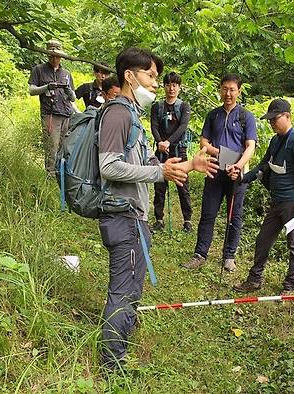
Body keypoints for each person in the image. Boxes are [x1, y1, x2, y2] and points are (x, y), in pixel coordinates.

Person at [97, 47, 218, 370]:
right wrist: (158, 172)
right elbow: (109, 166)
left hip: (134, 217)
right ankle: (113, 365)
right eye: (150, 75)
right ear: (129, 75)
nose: (156, 83)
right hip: (122, 217)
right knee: (123, 291)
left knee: (131, 286)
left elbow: (143, 161)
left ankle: (120, 344)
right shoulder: (118, 113)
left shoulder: (131, 115)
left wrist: (184, 165)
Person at [232, 99, 294, 295]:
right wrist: (242, 177)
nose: (272, 123)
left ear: (287, 117)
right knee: (263, 240)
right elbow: (263, 165)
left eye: (275, 119)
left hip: (292, 203)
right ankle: (255, 278)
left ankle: (292, 284)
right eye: (270, 120)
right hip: (276, 201)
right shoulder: (275, 140)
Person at [183, 74, 257, 272]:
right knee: (208, 213)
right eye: (224, 89)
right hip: (214, 169)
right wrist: (220, 153)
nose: (228, 93)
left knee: (235, 216)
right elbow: (204, 142)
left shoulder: (246, 117)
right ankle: (200, 254)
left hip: (236, 174)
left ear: (239, 92)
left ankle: (229, 256)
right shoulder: (213, 115)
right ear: (220, 90)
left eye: (232, 89)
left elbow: (251, 146)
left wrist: (238, 165)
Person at [150, 72, 193, 232]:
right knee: (159, 186)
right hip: (161, 151)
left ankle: (187, 220)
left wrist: (168, 142)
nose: (171, 88)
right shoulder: (157, 107)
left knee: (182, 185)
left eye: (174, 85)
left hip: (178, 150)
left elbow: (183, 127)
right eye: (168, 84)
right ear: (164, 86)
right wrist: (160, 141)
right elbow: (154, 126)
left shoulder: (184, 106)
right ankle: (159, 219)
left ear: (179, 88)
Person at [28, 40, 78, 175]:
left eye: (57, 56)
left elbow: (73, 98)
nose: (54, 58)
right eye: (51, 56)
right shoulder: (39, 70)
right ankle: (50, 176)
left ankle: (62, 175)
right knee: (52, 147)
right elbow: (32, 90)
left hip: (66, 114)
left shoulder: (66, 73)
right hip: (50, 114)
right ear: (47, 55)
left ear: (61, 56)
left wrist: (67, 90)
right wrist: (47, 87)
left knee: (65, 147)